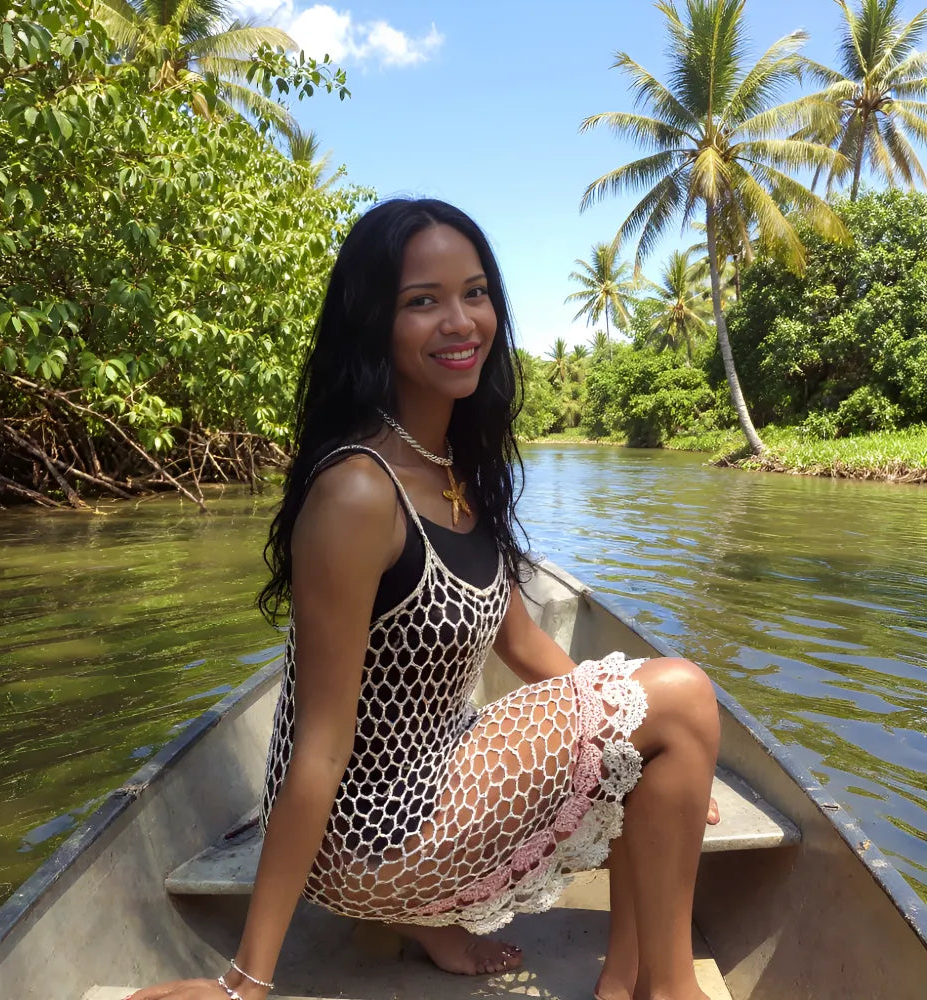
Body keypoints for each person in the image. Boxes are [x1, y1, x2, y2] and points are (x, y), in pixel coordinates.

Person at [128, 198, 721, 1000]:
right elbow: (320, 747)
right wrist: (243, 983)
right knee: (680, 694)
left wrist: (655, 740)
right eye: (423, 301)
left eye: (475, 293)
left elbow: (521, 644)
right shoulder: (357, 494)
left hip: (433, 780)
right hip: (368, 836)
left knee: (653, 727)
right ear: (374, 321)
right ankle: (672, 991)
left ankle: (627, 975)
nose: (460, 321)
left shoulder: (456, 469)